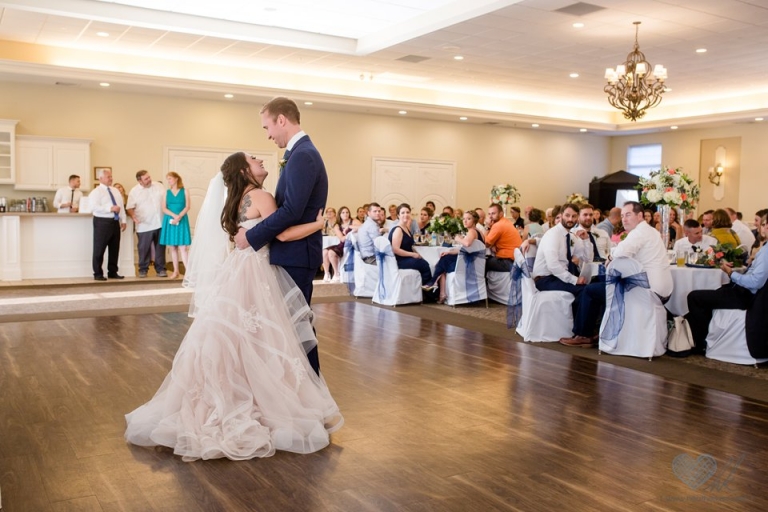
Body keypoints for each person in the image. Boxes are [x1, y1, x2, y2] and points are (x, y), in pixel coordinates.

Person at [125, 152, 343, 461]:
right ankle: (263, 401)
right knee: (264, 338)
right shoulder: (262, 196)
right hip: (259, 271)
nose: (261, 161)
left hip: (237, 270)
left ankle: (230, 396)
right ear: (244, 170)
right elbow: (280, 233)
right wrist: (318, 224)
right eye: (254, 160)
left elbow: (250, 234)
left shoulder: (234, 200)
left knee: (238, 338)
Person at [234, 97, 327, 376]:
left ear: (282, 120)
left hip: (297, 254)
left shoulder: (303, 155)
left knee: (298, 326)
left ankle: (312, 392)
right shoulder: (298, 154)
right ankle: (303, 393)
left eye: (267, 127)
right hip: (292, 252)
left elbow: (290, 210)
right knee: (291, 326)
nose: (268, 134)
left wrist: (251, 238)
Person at [686, 212, 768, 352]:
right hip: (746, 292)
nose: (762, 227)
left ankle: (702, 342)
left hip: (747, 296)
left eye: (765, 225)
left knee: (694, 297)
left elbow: (755, 282)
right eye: (763, 224)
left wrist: (731, 273)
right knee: (713, 291)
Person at [423, 210, 484, 304]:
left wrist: (458, 238)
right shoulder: (479, 232)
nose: (465, 221)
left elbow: (467, 244)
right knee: (445, 259)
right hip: (475, 263)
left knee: (443, 262)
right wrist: (449, 252)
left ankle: (434, 283)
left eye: (468, 219)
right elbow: (467, 249)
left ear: (474, 220)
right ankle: (440, 291)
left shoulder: (472, 232)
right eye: (464, 219)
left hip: (468, 265)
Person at [127, 170, 167, 278]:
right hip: (144, 224)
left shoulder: (158, 186)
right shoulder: (134, 191)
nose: (149, 180)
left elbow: (166, 200)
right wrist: (134, 217)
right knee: (144, 249)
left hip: (160, 222)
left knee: (160, 248)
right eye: (146, 179)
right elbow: (129, 207)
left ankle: (161, 269)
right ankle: (143, 270)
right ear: (139, 181)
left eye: (149, 177)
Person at [89, 168, 126, 280]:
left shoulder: (115, 190)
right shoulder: (96, 192)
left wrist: (123, 220)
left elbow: (121, 206)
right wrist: (109, 208)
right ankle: (98, 273)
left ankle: (113, 272)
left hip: (115, 222)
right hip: (102, 222)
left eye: (111, 176)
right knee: (99, 249)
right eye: (108, 177)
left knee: (115, 248)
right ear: (101, 178)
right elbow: (93, 207)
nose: (111, 179)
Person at [388, 203, 432, 285]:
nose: (406, 215)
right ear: (398, 215)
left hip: (405, 258)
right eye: (403, 213)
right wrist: (412, 255)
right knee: (424, 266)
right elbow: (395, 249)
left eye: (407, 212)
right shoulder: (398, 229)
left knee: (426, 262)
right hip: (399, 260)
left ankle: (423, 289)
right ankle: (427, 292)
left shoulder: (406, 228)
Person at [159, 171, 191, 279]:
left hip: (181, 219)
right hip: (170, 220)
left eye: (170, 178)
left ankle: (188, 273)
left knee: (183, 247)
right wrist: (174, 216)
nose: (168, 181)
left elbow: (187, 206)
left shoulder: (185, 191)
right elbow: (164, 208)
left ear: (176, 179)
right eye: (167, 179)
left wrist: (179, 216)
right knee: (173, 247)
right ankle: (176, 271)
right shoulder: (166, 193)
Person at [322, 206, 360, 282]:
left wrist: (349, 227)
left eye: (347, 212)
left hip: (352, 244)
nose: (345, 214)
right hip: (343, 243)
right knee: (324, 251)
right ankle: (327, 273)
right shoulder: (337, 225)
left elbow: (362, 227)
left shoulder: (354, 221)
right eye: (343, 212)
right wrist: (350, 233)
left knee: (331, 252)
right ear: (340, 214)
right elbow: (342, 239)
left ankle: (336, 273)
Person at [484, 203, 522, 272]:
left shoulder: (498, 225)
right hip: (515, 259)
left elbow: (486, 244)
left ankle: (482, 282)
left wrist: (487, 227)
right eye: (489, 214)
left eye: (493, 213)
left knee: (480, 262)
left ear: (501, 214)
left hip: (508, 261)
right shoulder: (505, 221)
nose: (490, 217)